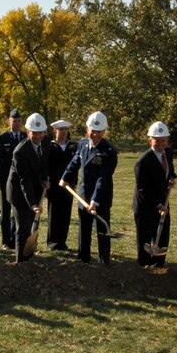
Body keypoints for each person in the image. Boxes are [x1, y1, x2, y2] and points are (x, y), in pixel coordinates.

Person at [60, 111, 118, 264]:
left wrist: (95, 201)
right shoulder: (83, 144)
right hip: (84, 193)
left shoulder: (109, 152)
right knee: (84, 228)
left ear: (104, 131)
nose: (95, 134)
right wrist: (65, 178)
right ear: (87, 129)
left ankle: (103, 260)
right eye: (93, 131)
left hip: (101, 196)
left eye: (99, 131)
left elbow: (103, 178)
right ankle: (83, 258)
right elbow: (75, 162)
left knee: (102, 229)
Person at [6, 113, 50, 263]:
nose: (38, 136)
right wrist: (32, 204)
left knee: (33, 226)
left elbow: (44, 163)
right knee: (23, 228)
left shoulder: (45, 142)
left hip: (34, 189)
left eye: (40, 133)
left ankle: (29, 257)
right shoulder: (20, 152)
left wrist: (45, 179)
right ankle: (21, 262)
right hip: (19, 193)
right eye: (34, 133)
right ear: (28, 131)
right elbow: (24, 180)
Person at [133, 121, 177, 267]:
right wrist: (158, 205)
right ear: (150, 141)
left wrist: (172, 177)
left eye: (163, 140)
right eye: (157, 140)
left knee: (162, 236)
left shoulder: (168, 153)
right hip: (146, 205)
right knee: (145, 239)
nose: (161, 144)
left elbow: (170, 169)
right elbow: (142, 189)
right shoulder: (143, 162)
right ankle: (145, 269)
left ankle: (159, 266)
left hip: (163, 201)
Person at [0, 109, 25, 249]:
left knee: (17, 212)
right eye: (14, 121)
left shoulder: (25, 137)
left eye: (19, 121)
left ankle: (14, 240)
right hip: (6, 180)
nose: (16, 123)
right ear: (9, 122)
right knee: (5, 211)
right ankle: (6, 241)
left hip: (21, 181)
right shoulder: (2, 138)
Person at [46, 119, 78, 251]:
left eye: (66, 129)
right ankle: (53, 242)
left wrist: (74, 182)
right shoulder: (50, 147)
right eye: (61, 129)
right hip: (53, 185)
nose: (64, 132)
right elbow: (46, 166)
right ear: (55, 131)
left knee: (66, 213)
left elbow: (75, 167)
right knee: (54, 213)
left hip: (68, 185)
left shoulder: (73, 147)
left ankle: (62, 241)